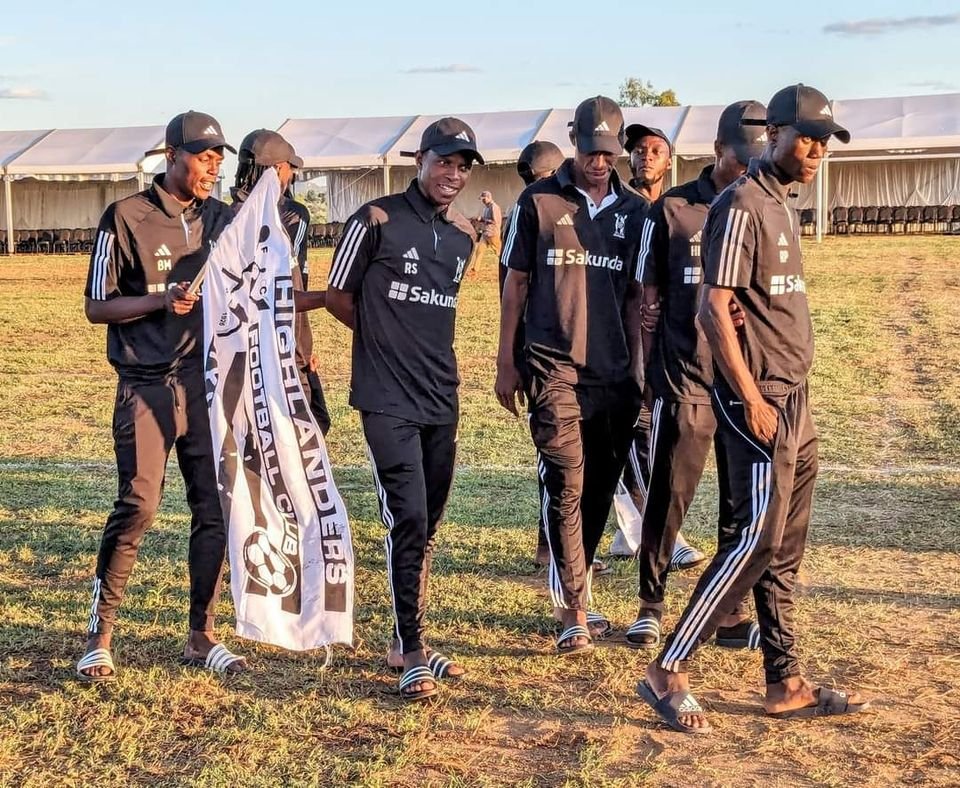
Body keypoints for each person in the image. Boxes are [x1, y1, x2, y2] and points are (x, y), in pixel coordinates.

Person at [638, 84, 869, 733]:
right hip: (759, 399)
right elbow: (712, 306)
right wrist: (749, 397)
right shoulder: (741, 203)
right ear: (776, 134)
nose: (817, 150)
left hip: (796, 398)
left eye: (826, 140)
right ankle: (668, 668)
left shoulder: (781, 206)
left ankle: (784, 681)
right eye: (807, 137)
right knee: (755, 539)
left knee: (784, 548)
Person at [77, 111, 244, 681]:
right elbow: (97, 306)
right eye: (203, 157)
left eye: (219, 159)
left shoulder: (225, 218)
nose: (212, 168)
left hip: (206, 385)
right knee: (139, 505)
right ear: (171, 155)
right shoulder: (125, 216)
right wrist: (158, 300)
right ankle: (100, 634)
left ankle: (202, 634)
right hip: (145, 385)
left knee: (214, 507)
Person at [326, 118, 481, 702]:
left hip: (442, 395)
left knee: (429, 521)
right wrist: (380, 343)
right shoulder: (375, 219)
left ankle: (401, 637)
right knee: (408, 516)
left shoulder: (463, 236)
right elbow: (340, 294)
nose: (453, 174)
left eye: (463, 166)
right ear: (421, 159)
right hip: (385, 397)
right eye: (445, 162)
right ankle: (412, 647)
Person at [496, 96, 645, 655]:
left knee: (601, 489)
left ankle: (573, 584)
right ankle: (573, 612)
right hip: (550, 364)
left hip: (613, 373)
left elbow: (635, 297)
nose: (600, 162)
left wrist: (638, 367)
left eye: (609, 152)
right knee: (566, 482)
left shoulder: (634, 211)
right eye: (591, 150)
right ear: (574, 143)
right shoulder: (537, 202)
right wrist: (506, 361)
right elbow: (514, 286)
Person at [624, 101, 768, 650]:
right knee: (669, 493)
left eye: (759, 157)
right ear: (718, 151)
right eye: (742, 158)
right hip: (682, 376)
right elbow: (646, 296)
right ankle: (651, 605)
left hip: (743, 381)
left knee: (740, 501)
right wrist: (646, 368)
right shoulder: (676, 208)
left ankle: (727, 615)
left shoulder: (762, 204)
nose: (751, 167)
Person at [609, 122, 704, 572]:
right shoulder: (621, 210)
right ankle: (661, 532)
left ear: (669, 159)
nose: (645, 156)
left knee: (657, 435)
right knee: (638, 435)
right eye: (638, 150)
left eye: (655, 149)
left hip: (667, 341)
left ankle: (627, 533)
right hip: (622, 343)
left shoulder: (677, 209)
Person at [230, 128, 331, 435]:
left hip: (237, 347)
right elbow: (291, 286)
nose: (293, 174)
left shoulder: (222, 215)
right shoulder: (292, 214)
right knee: (307, 429)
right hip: (285, 345)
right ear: (276, 169)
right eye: (290, 167)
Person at [469, 190, 502, 274]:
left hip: (493, 232)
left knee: (498, 251)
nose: (483, 201)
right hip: (486, 232)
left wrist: (483, 219)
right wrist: (478, 219)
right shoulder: (486, 208)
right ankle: (475, 270)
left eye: (484, 199)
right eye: (482, 199)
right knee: (479, 250)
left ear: (489, 198)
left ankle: (505, 267)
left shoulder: (494, 207)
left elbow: (496, 221)